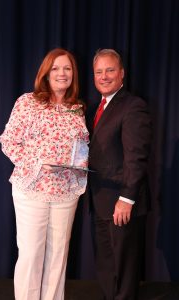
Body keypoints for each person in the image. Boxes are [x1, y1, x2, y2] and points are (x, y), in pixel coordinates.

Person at [0, 48, 89, 300]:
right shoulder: (27, 102)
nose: (62, 73)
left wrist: (82, 162)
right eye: (56, 68)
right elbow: (9, 142)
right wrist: (38, 163)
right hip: (32, 188)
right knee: (31, 254)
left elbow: (81, 147)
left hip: (66, 192)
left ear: (74, 74)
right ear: (46, 73)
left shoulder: (77, 108)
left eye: (67, 68)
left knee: (58, 256)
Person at [87, 49, 152, 300]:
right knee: (106, 266)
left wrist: (126, 198)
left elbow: (136, 156)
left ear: (122, 73)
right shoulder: (95, 108)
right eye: (99, 72)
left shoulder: (133, 106)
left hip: (121, 203)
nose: (104, 76)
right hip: (100, 200)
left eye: (110, 70)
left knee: (124, 269)